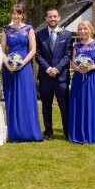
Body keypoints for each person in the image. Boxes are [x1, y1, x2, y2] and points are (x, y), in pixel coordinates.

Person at [1, 3, 42, 142]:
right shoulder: (6, 30)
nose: (16, 16)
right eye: (14, 13)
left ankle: (29, 131)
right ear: (11, 14)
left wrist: (21, 63)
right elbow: (1, 50)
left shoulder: (29, 29)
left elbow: (33, 50)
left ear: (23, 14)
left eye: (19, 13)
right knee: (12, 98)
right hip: (9, 69)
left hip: (24, 68)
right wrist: (8, 63)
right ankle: (15, 132)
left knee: (26, 98)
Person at [35, 8, 72, 140]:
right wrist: (47, 68)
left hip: (61, 76)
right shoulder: (40, 34)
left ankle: (67, 132)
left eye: (55, 17)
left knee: (64, 106)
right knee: (46, 106)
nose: (53, 19)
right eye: (50, 17)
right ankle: (48, 131)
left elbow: (68, 55)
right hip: (45, 76)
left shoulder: (67, 35)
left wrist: (57, 69)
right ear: (46, 18)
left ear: (59, 18)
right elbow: (37, 55)